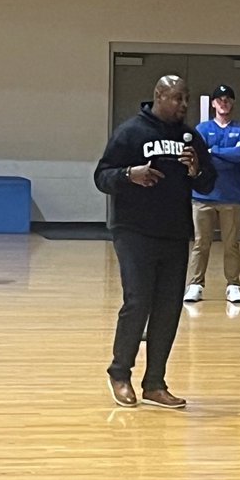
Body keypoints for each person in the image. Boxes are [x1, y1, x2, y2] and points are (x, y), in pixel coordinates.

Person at [93, 75, 217, 409]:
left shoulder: (190, 137)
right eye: (177, 98)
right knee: (138, 301)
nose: (183, 105)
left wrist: (196, 172)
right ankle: (120, 373)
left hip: (175, 232)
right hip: (134, 231)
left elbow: (209, 181)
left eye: (186, 99)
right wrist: (128, 174)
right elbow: (101, 176)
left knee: (168, 309)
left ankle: (155, 383)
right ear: (159, 96)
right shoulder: (130, 132)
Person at [185, 84, 240, 304]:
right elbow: (200, 157)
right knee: (200, 243)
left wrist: (214, 152)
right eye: (219, 99)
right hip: (203, 195)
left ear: (232, 103)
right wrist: (220, 155)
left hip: (231, 196)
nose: (223, 102)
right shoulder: (202, 129)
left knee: (231, 243)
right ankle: (195, 284)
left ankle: (233, 284)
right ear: (213, 103)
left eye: (227, 99)